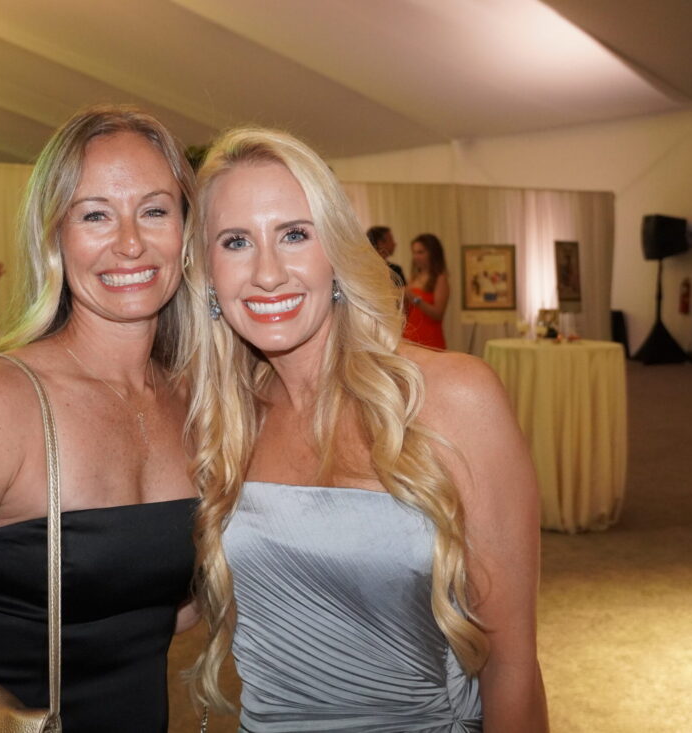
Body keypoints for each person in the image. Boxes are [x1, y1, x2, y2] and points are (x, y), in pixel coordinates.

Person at [181, 128, 548, 731]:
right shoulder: (220, 421)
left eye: (295, 234)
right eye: (236, 241)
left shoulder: (453, 397)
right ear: (208, 274)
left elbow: (511, 667)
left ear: (338, 251)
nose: (267, 273)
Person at [0, 105, 200, 733]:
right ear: (53, 236)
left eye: (155, 211)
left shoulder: (196, 403)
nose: (130, 242)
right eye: (95, 214)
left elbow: (170, 610)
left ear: (187, 228)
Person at [405, 233, 450, 349]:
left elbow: (438, 314)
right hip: (410, 338)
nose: (416, 257)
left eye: (420, 252)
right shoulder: (412, 278)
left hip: (430, 339)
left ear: (432, 254)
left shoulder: (440, 279)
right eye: (414, 252)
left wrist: (414, 298)